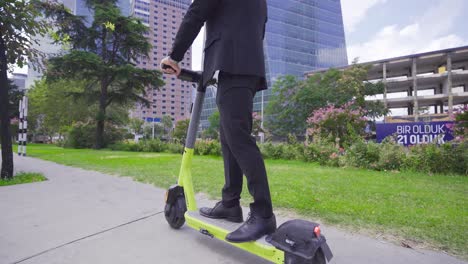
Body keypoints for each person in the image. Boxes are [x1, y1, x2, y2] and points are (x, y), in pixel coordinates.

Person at [160, 0, 275, 243]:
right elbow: (256, 26)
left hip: (232, 63)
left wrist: (174, 56)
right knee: (230, 137)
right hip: (246, 66)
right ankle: (230, 203)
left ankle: (263, 214)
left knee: (238, 138)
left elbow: (197, 12)